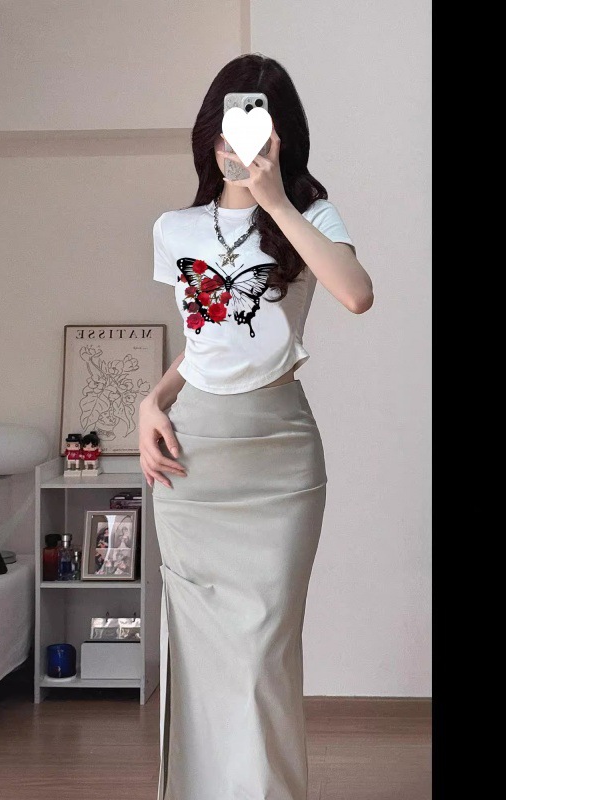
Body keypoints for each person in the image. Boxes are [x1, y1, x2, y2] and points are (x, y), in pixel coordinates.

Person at [139, 54, 373, 800]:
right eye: (224, 131)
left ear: (280, 138)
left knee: (262, 654)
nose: (234, 147)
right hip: (193, 460)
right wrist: (152, 401)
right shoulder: (175, 229)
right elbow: (206, 342)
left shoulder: (312, 217)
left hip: (278, 456)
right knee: (201, 654)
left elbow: (357, 295)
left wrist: (275, 201)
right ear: (208, 137)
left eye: (252, 131)